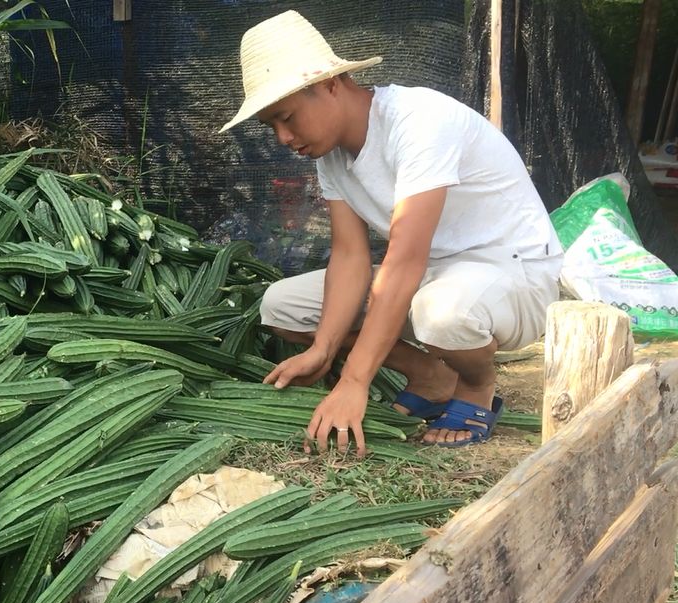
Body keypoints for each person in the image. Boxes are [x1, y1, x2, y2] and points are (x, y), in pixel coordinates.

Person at [220, 11, 563, 455]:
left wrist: (354, 380)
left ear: (329, 84)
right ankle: (432, 378)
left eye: (287, 117)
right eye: (271, 126)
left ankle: (476, 387)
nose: (283, 137)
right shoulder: (331, 158)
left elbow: (403, 260)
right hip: (437, 274)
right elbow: (349, 257)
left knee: (440, 313)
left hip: (515, 272)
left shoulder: (419, 122)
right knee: (282, 306)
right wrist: (324, 350)